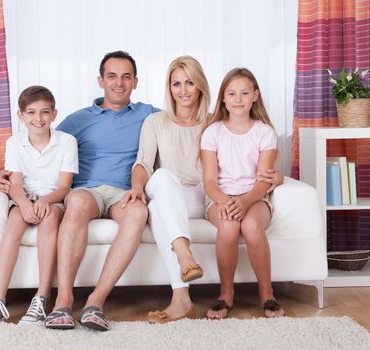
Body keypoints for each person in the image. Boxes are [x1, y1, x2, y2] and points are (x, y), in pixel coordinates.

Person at [0, 51, 158, 331]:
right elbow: (40, 144)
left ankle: (96, 301)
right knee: (77, 202)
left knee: (139, 212)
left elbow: (187, 123)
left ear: (136, 82)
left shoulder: (149, 115)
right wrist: (2, 174)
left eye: (126, 76)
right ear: (100, 80)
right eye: (112, 76)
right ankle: (63, 302)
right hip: (87, 191)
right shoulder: (77, 120)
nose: (119, 82)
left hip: (124, 193)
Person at [120, 57, 284, 323]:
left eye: (190, 83)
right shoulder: (155, 122)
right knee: (162, 180)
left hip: (206, 197)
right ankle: (183, 266)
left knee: (157, 208)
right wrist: (137, 187)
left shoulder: (215, 124)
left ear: (201, 87)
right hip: (173, 195)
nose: (183, 90)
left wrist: (277, 176)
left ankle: (182, 297)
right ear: (169, 88)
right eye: (176, 84)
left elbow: (244, 166)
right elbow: (143, 164)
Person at [0, 86, 78, 328]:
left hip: (53, 197)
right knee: (14, 222)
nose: (38, 119)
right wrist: (23, 203)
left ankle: (42, 297)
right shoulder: (15, 142)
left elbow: (64, 186)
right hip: (25, 195)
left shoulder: (67, 142)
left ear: (54, 114)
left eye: (44, 112)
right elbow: (16, 183)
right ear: (21, 116)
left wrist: (45, 201)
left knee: (49, 219)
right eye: (31, 113)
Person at [200, 67, 285, 319]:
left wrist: (245, 201)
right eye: (232, 93)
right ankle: (226, 294)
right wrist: (227, 201)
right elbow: (208, 181)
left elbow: (263, 182)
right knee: (227, 227)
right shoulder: (212, 132)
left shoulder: (265, 132)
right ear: (223, 99)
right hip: (220, 196)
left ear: (255, 95)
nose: (238, 99)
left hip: (255, 197)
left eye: (244, 93)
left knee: (251, 227)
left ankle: (267, 293)